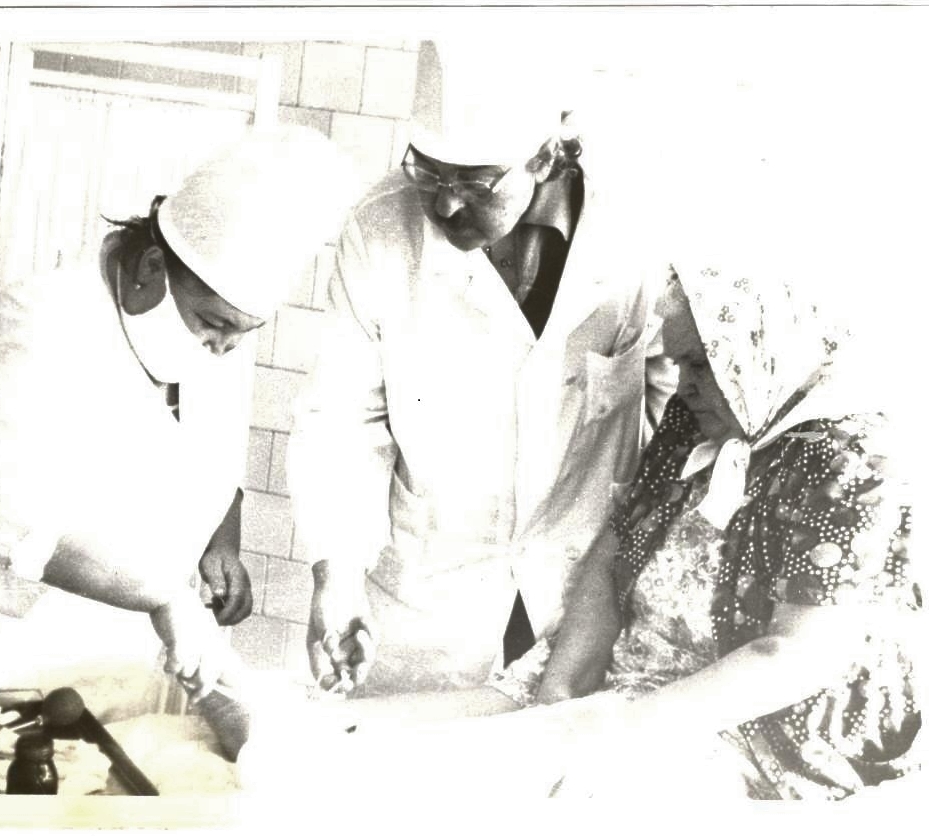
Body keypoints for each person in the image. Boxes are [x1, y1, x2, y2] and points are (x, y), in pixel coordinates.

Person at [238, 261, 921, 801]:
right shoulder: (700, 423)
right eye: (678, 362)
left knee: (498, 792)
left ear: (761, 351)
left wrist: (602, 732)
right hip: (626, 678)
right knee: (358, 744)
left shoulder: (850, 462)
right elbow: (613, 552)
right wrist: (558, 697)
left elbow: (794, 655)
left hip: (748, 730)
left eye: (701, 365)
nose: (681, 385)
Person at [0, 124, 355, 762]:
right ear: (151, 268)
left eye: (243, 332)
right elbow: (15, 522)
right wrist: (165, 596)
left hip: (110, 652)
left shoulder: (197, 328)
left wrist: (221, 536)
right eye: (216, 324)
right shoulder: (36, 323)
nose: (224, 346)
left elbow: (203, 437)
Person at [287, 39, 676, 700]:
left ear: (547, 154)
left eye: (473, 182)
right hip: (430, 595)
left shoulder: (637, 230)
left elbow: (670, 401)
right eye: (427, 173)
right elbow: (341, 420)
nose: (443, 207)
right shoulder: (380, 231)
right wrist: (337, 577)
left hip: (579, 588)